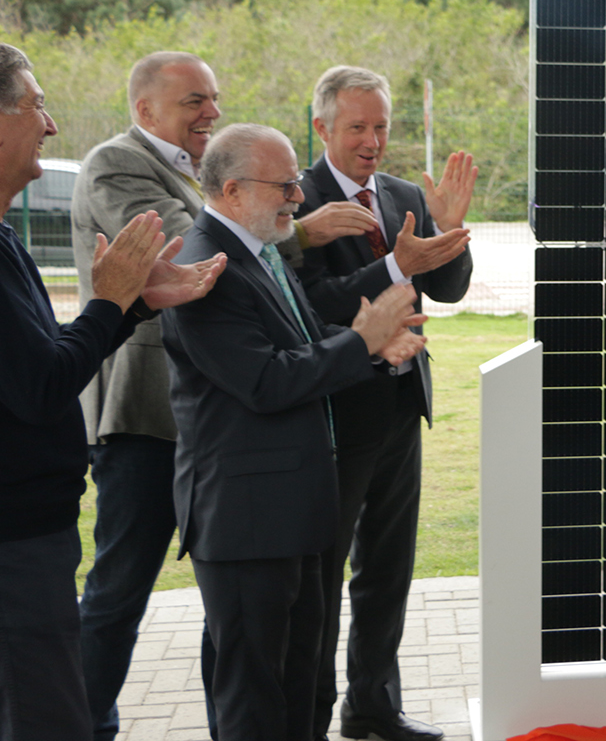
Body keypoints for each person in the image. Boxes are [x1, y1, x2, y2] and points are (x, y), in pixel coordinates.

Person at [70, 51, 381, 739]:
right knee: (122, 594)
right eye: (193, 102)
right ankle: (82, 722)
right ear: (145, 108)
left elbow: (274, 304)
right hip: (147, 421)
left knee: (270, 657)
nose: (210, 111)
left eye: (213, 99)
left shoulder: (237, 215)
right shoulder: (120, 168)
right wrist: (302, 237)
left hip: (243, 458)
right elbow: (182, 259)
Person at [160, 123, 425, 741]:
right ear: (231, 191)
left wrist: (374, 348)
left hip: (293, 511)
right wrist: (362, 341)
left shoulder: (261, 252)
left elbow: (307, 346)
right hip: (247, 521)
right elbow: (267, 381)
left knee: (300, 680)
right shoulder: (205, 266)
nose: (297, 198)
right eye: (283, 186)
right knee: (256, 695)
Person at [0, 43, 224, 740]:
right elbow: (41, 385)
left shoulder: (6, 241)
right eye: (36, 106)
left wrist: (128, 305)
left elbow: (40, 360)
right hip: (34, 527)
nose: (51, 125)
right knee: (63, 688)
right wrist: (113, 302)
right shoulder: (117, 163)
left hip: (35, 530)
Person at [292, 66, 474, 741]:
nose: (372, 142)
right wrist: (395, 268)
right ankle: (308, 715)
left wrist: (452, 232)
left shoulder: (401, 193)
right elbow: (307, 307)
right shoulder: (296, 202)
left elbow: (448, 287)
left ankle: (372, 710)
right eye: (357, 128)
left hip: (402, 409)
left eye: (381, 127)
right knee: (321, 576)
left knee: (388, 572)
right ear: (322, 128)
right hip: (335, 417)